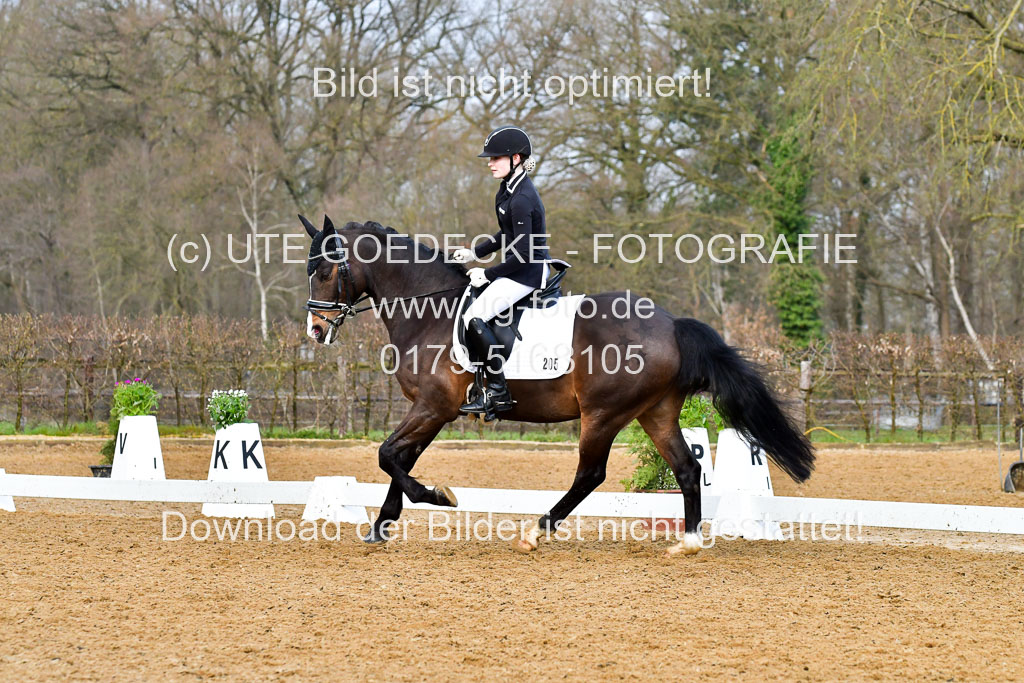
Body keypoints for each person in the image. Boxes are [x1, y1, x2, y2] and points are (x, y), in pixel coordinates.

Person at [451, 126, 551, 416]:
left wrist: (489, 273)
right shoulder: (507, 190)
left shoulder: (522, 199)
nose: (490, 163)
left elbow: (523, 254)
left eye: (496, 158)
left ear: (516, 158)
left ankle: (498, 391)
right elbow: (504, 234)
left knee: (474, 316)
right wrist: (475, 253)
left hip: (528, 272)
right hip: (518, 266)